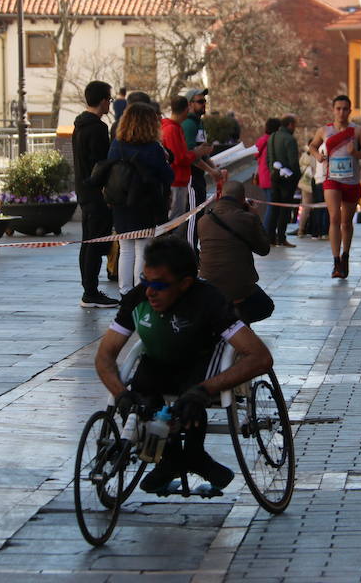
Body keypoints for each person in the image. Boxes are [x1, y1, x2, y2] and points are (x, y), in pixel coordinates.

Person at [95, 236, 273, 494]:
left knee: (190, 400)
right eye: (145, 281)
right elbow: (105, 355)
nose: (149, 292)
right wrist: (121, 394)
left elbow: (260, 357)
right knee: (140, 397)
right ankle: (175, 460)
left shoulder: (209, 300)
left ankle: (193, 455)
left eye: (159, 285)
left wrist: (205, 390)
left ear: (185, 283)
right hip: (158, 360)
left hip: (200, 357)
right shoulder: (138, 298)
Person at [107, 103, 174, 295]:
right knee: (142, 249)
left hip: (121, 203)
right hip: (145, 203)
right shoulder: (153, 148)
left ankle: (125, 291)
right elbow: (168, 176)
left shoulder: (117, 145)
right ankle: (139, 290)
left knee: (126, 249)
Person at [308, 95, 361, 278]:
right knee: (334, 217)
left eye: (345, 109)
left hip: (351, 181)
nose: (341, 112)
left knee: (346, 222)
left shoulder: (358, 131)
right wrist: (317, 156)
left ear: (350, 111)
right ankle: (336, 261)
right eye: (338, 108)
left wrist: (356, 153)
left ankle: (345, 255)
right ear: (333, 110)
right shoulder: (325, 130)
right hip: (332, 179)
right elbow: (312, 146)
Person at [198, 180, 274, 323]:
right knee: (266, 306)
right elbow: (264, 249)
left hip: (209, 286)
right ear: (242, 199)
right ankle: (239, 320)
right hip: (239, 289)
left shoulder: (204, 220)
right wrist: (257, 217)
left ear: (220, 195)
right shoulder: (248, 219)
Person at [73, 80, 118, 309]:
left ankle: (88, 289)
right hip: (95, 192)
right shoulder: (98, 128)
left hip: (83, 189)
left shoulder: (79, 125)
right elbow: (102, 162)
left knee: (87, 241)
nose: (110, 104)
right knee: (95, 242)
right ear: (102, 101)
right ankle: (90, 292)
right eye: (109, 100)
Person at [182, 88, 226, 252]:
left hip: (199, 177)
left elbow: (203, 152)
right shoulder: (188, 123)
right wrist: (212, 171)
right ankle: (190, 254)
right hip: (191, 177)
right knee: (192, 217)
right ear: (190, 104)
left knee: (197, 217)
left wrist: (214, 169)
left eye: (204, 101)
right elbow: (192, 154)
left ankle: (193, 252)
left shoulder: (198, 123)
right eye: (200, 101)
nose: (204, 104)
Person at [161, 96, 213, 223]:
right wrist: (196, 153)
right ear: (187, 108)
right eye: (200, 101)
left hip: (180, 181)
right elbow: (178, 158)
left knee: (178, 220)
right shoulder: (172, 129)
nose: (204, 104)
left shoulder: (176, 127)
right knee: (175, 222)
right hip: (177, 181)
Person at [267, 114, 301, 247]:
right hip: (288, 179)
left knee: (275, 208)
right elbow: (293, 161)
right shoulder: (290, 139)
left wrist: (272, 171)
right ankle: (281, 237)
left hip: (275, 177)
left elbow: (269, 158)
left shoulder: (272, 137)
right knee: (285, 210)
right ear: (290, 124)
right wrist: (297, 176)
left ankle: (270, 237)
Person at [255, 118, 281, 235]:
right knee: (271, 207)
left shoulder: (262, 140)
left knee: (270, 205)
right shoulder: (272, 141)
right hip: (269, 176)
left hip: (262, 176)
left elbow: (255, 155)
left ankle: (268, 232)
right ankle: (266, 232)